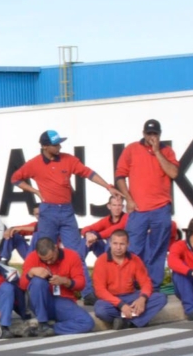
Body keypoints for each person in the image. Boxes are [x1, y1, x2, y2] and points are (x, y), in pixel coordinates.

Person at [12, 130, 118, 304]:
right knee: (44, 252)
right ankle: (39, 293)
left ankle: (87, 293)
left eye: (59, 143)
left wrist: (108, 186)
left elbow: (88, 173)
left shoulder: (67, 159)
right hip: (48, 212)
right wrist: (36, 191)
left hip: (67, 211)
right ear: (45, 146)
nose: (59, 146)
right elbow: (15, 179)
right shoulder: (34, 163)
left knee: (76, 252)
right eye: (55, 144)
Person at [115, 118, 180, 288]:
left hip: (161, 207)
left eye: (155, 134)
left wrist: (157, 152)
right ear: (143, 133)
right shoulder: (131, 149)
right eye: (149, 133)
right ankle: (131, 284)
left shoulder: (167, 151)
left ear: (160, 135)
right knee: (133, 248)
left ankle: (153, 286)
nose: (151, 136)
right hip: (138, 209)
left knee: (158, 248)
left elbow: (173, 173)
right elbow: (120, 176)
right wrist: (128, 199)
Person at [92, 230, 168, 330]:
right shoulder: (101, 261)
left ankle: (124, 321)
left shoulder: (135, 259)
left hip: (131, 297)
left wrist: (142, 299)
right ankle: (135, 320)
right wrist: (121, 305)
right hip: (110, 299)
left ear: (128, 244)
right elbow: (100, 290)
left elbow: (146, 282)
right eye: (115, 243)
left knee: (160, 298)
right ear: (110, 243)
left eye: (122, 244)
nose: (118, 247)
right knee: (101, 310)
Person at [19, 236, 94, 337]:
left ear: (56, 248)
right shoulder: (32, 257)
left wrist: (65, 281)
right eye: (45, 260)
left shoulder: (71, 256)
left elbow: (81, 284)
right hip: (41, 302)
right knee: (38, 282)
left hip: (63, 301)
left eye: (51, 258)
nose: (49, 262)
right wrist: (30, 273)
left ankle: (49, 329)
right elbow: (22, 286)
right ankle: (42, 322)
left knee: (87, 322)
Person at [80, 195, 129, 260]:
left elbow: (117, 228)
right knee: (89, 236)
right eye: (114, 205)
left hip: (122, 252)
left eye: (119, 205)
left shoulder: (126, 217)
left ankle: (108, 266)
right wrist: (88, 234)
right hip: (106, 252)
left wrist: (97, 236)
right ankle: (77, 264)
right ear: (109, 206)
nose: (117, 208)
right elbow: (86, 228)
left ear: (122, 207)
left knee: (112, 239)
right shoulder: (107, 220)